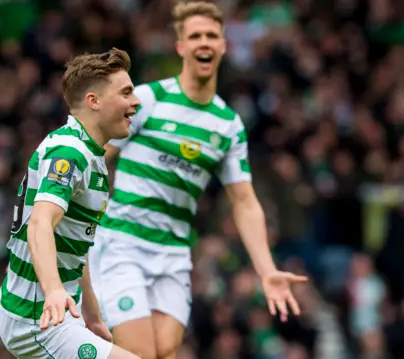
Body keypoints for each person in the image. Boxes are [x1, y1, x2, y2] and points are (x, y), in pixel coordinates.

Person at [88, 3, 309, 359]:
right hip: (123, 244)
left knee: (166, 350)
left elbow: (244, 201)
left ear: (223, 45)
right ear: (181, 47)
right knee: (140, 353)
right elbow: (97, 154)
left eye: (210, 35)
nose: (203, 42)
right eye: (194, 36)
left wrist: (266, 270)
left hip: (174, 253)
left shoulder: (228, 125)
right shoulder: (148, 99)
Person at [0, 48, 141, 359]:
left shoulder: (91, 154)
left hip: (56, 311)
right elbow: (40, 222)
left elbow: (75, 247)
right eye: (126, 92)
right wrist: (53, 292)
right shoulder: (70, 153)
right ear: (94, 101)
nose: (136, 101)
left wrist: (92, 317)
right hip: (37, 318)